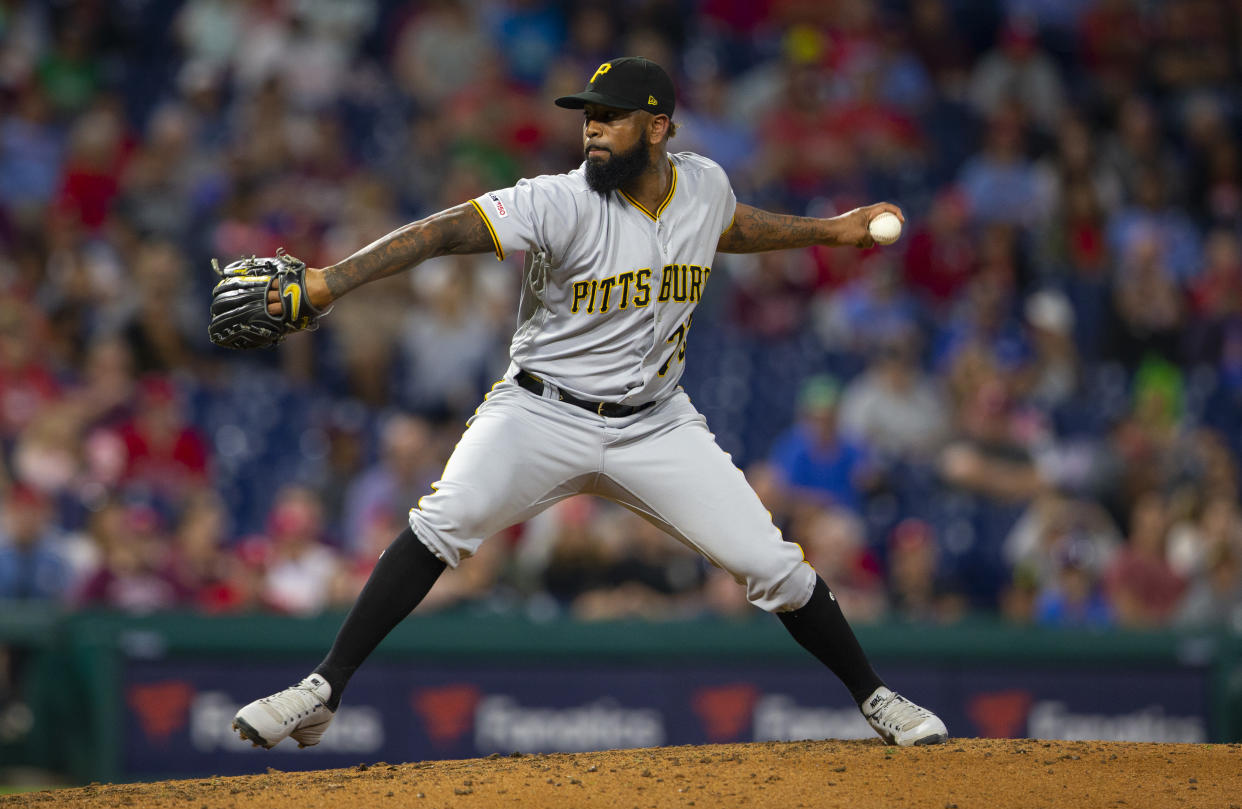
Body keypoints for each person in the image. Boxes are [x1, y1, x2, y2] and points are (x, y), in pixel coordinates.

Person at [228, 57, 947, 751]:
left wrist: (833, 229)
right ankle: (323, 688)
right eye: (587, 117)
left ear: (658, 128)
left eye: (610, 117)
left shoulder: (703, 186)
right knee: (442, 522)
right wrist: (329, 281)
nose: (592, 130)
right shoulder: (559, 200)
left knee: (775, 567)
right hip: (539, 413)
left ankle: (875, 698)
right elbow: (440, 230)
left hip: (656, 424)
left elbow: (730, 226)